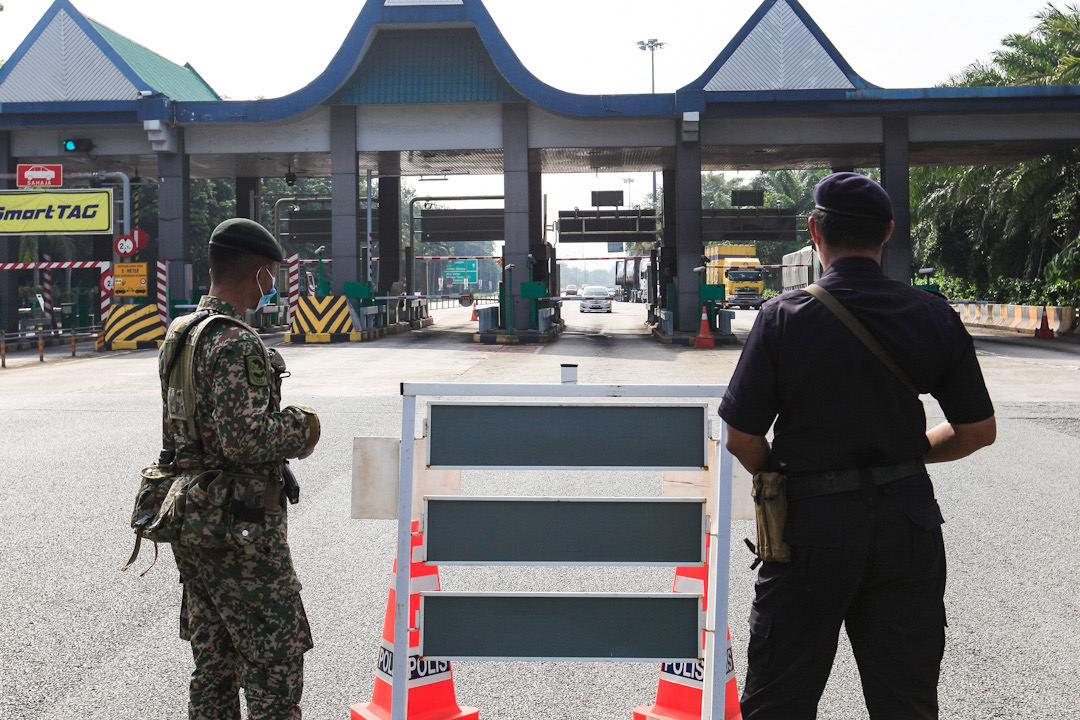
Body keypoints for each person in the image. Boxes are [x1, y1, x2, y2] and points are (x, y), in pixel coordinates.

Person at [719, 173, 996, 719]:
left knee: (779, 699)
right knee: (906, 702)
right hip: (907, 527)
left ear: (814, 231)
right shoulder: (931, 314)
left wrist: (782, 477)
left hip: (809, 530)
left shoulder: (783, 317)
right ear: (887, 232)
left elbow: (741, 437)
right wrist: (910, 455)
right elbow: (976, 431)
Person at [158, 218, 321, 719]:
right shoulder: (235, 341)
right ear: (259, 273)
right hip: (241, 529)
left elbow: (191, 432)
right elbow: (244, 438)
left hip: (193, 518)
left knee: (215, 663)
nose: (271, 285)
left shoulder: (181, 333)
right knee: (275, 665)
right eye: (271, 275)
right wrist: (302, 427)